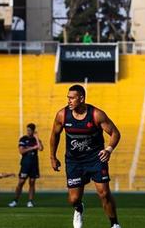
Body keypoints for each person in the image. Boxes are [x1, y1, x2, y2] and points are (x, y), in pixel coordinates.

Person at [50, 84, 122, 228]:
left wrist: (108, 149)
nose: (68, 100)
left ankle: (114, 224)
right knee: (73, 199)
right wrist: (53, 157)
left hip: (95, 159)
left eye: (72, 98)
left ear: (81, 98)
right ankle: (78, 208)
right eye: (67, 98)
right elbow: (55, 135)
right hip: (74, 161)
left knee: (104, 193)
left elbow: (115, 133)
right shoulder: (62, 115)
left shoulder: (96, 114)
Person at [9, 123, 43, 208]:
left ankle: (30, 201)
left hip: (34, 164)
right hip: (25, 164)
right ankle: (15, 200)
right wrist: (32, 148)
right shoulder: (23, 139)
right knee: (21, 182)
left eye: (29, 130)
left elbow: (41, 148)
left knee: (32, 182)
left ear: (33, 131)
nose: (28, 132)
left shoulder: (36, 139)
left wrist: (37, 138)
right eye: (27, 130)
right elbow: (21, 151)